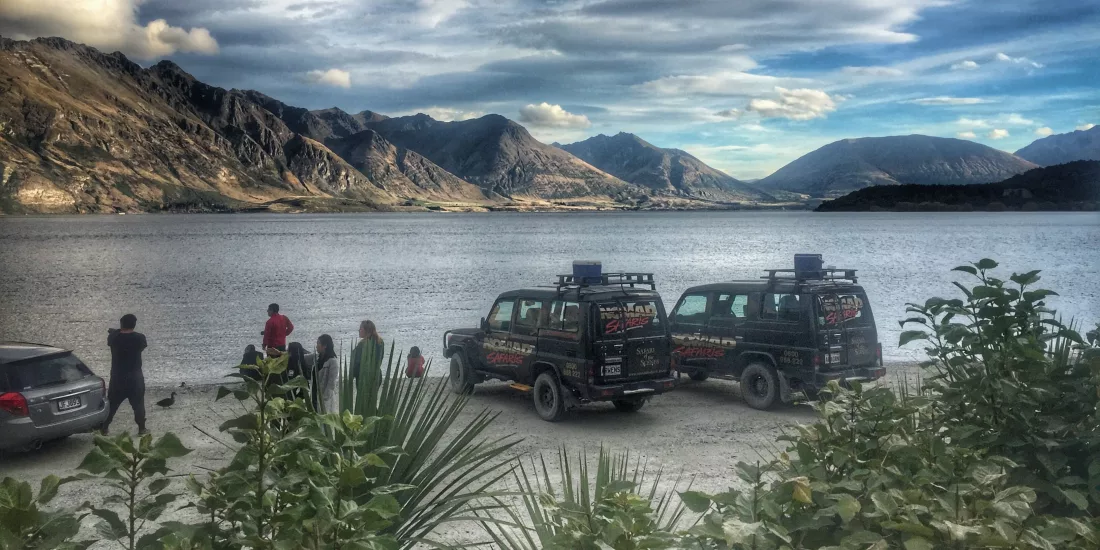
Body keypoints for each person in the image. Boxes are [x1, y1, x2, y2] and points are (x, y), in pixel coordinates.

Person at [103, 314, 149, 435]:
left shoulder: (113, 338)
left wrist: (116, 331)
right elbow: (142, 346)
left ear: (121, 324)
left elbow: (112, 338)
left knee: (112, 404)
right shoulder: (139, 338)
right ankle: (142, 428)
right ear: (134, 325)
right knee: (138, 404)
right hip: (135, 377)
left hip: (117, 377)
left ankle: (104, 428)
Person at [304, 335, 340, 413]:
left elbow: (331, 383)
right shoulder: (316, 358)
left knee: (324, 420)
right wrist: (282, 353)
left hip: (324, 400)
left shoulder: (332, 361)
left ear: (325, 346)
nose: (316, 346)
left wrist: (324, 398)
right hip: (314, 396)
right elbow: (303, 357)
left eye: (318, 343)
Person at [350, 320, 385, 389]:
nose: (359, 330)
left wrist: (352, 375)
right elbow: (380, 359)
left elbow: (357, 364)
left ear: (366, 330)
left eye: (360, 329)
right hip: (376, 376)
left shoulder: (362, 345)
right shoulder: (380, 342)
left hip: (363, 378)